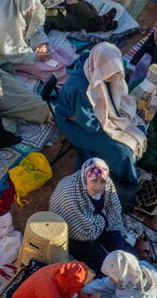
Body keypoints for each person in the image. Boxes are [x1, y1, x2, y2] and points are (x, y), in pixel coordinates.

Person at [53, 44, 145, 208]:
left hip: (94, 118)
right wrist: (114, 123)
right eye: (111, 73)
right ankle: (126, 193)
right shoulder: (80, 87)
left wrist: (116, 118)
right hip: (76, 124)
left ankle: (125, 173)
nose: (116, 76)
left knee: (137, 128)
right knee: (121, 152)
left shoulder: (97, 66)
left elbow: (115, 96)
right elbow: (90, 125)